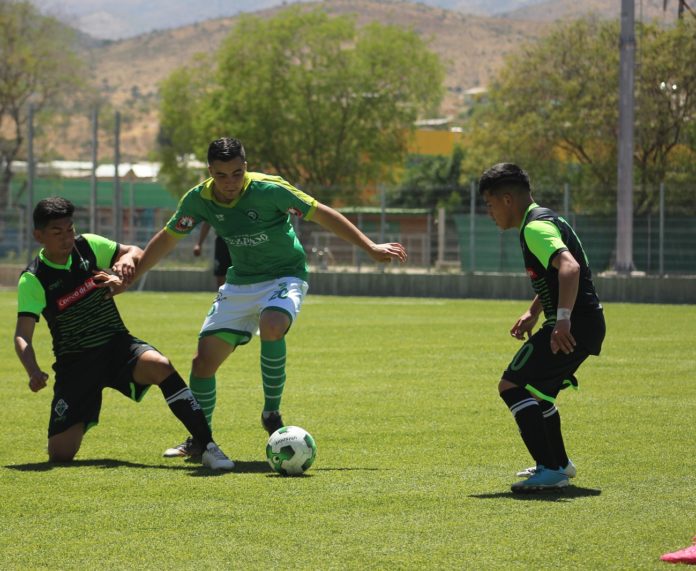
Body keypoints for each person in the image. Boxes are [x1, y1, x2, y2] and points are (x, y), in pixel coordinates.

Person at [116, 136, 407, 459]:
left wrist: (370, 247)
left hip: (285, 275)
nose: (230, 183)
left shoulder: (271, 190)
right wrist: (133, 278)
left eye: (237, 173)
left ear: (246, 167)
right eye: (221, 175)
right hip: (239, 284)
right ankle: (200, 439)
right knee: (202, 363)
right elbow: (168, 239)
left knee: (272, 322)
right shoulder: (198, 199)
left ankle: (271, 412)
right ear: (210, 171)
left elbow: (321, 213)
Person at [14, 197, 235, 470]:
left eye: (69, 229)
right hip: (76, 365)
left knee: (160, 366)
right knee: (60, 455)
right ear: (39, 236)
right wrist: (33, 370)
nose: (66, 238)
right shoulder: (34, 278)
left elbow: (133, 251)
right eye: (57, 233)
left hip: (117, 346)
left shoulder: (88, 247)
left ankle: (207, 445)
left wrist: (127, 259)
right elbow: (22, 334)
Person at [478, 163, 606, 493]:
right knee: (540, 392)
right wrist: (534, 311)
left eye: (490, 205)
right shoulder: (545, 218)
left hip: (574, 324)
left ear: (507, 199)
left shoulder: (534, 229)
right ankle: (558, 463)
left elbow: (569, 268)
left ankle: (551, 469)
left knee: (512, 386)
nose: (489, 213)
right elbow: (553, 273)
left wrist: (562, 319)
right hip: (584, 322)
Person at [193, 222, 231, 288]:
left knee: (241, 272)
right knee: (220, 274)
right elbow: (207, 224)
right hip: (222, 242)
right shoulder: (214, 211)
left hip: (240, 241)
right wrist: (199, 244)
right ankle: (222, 297)